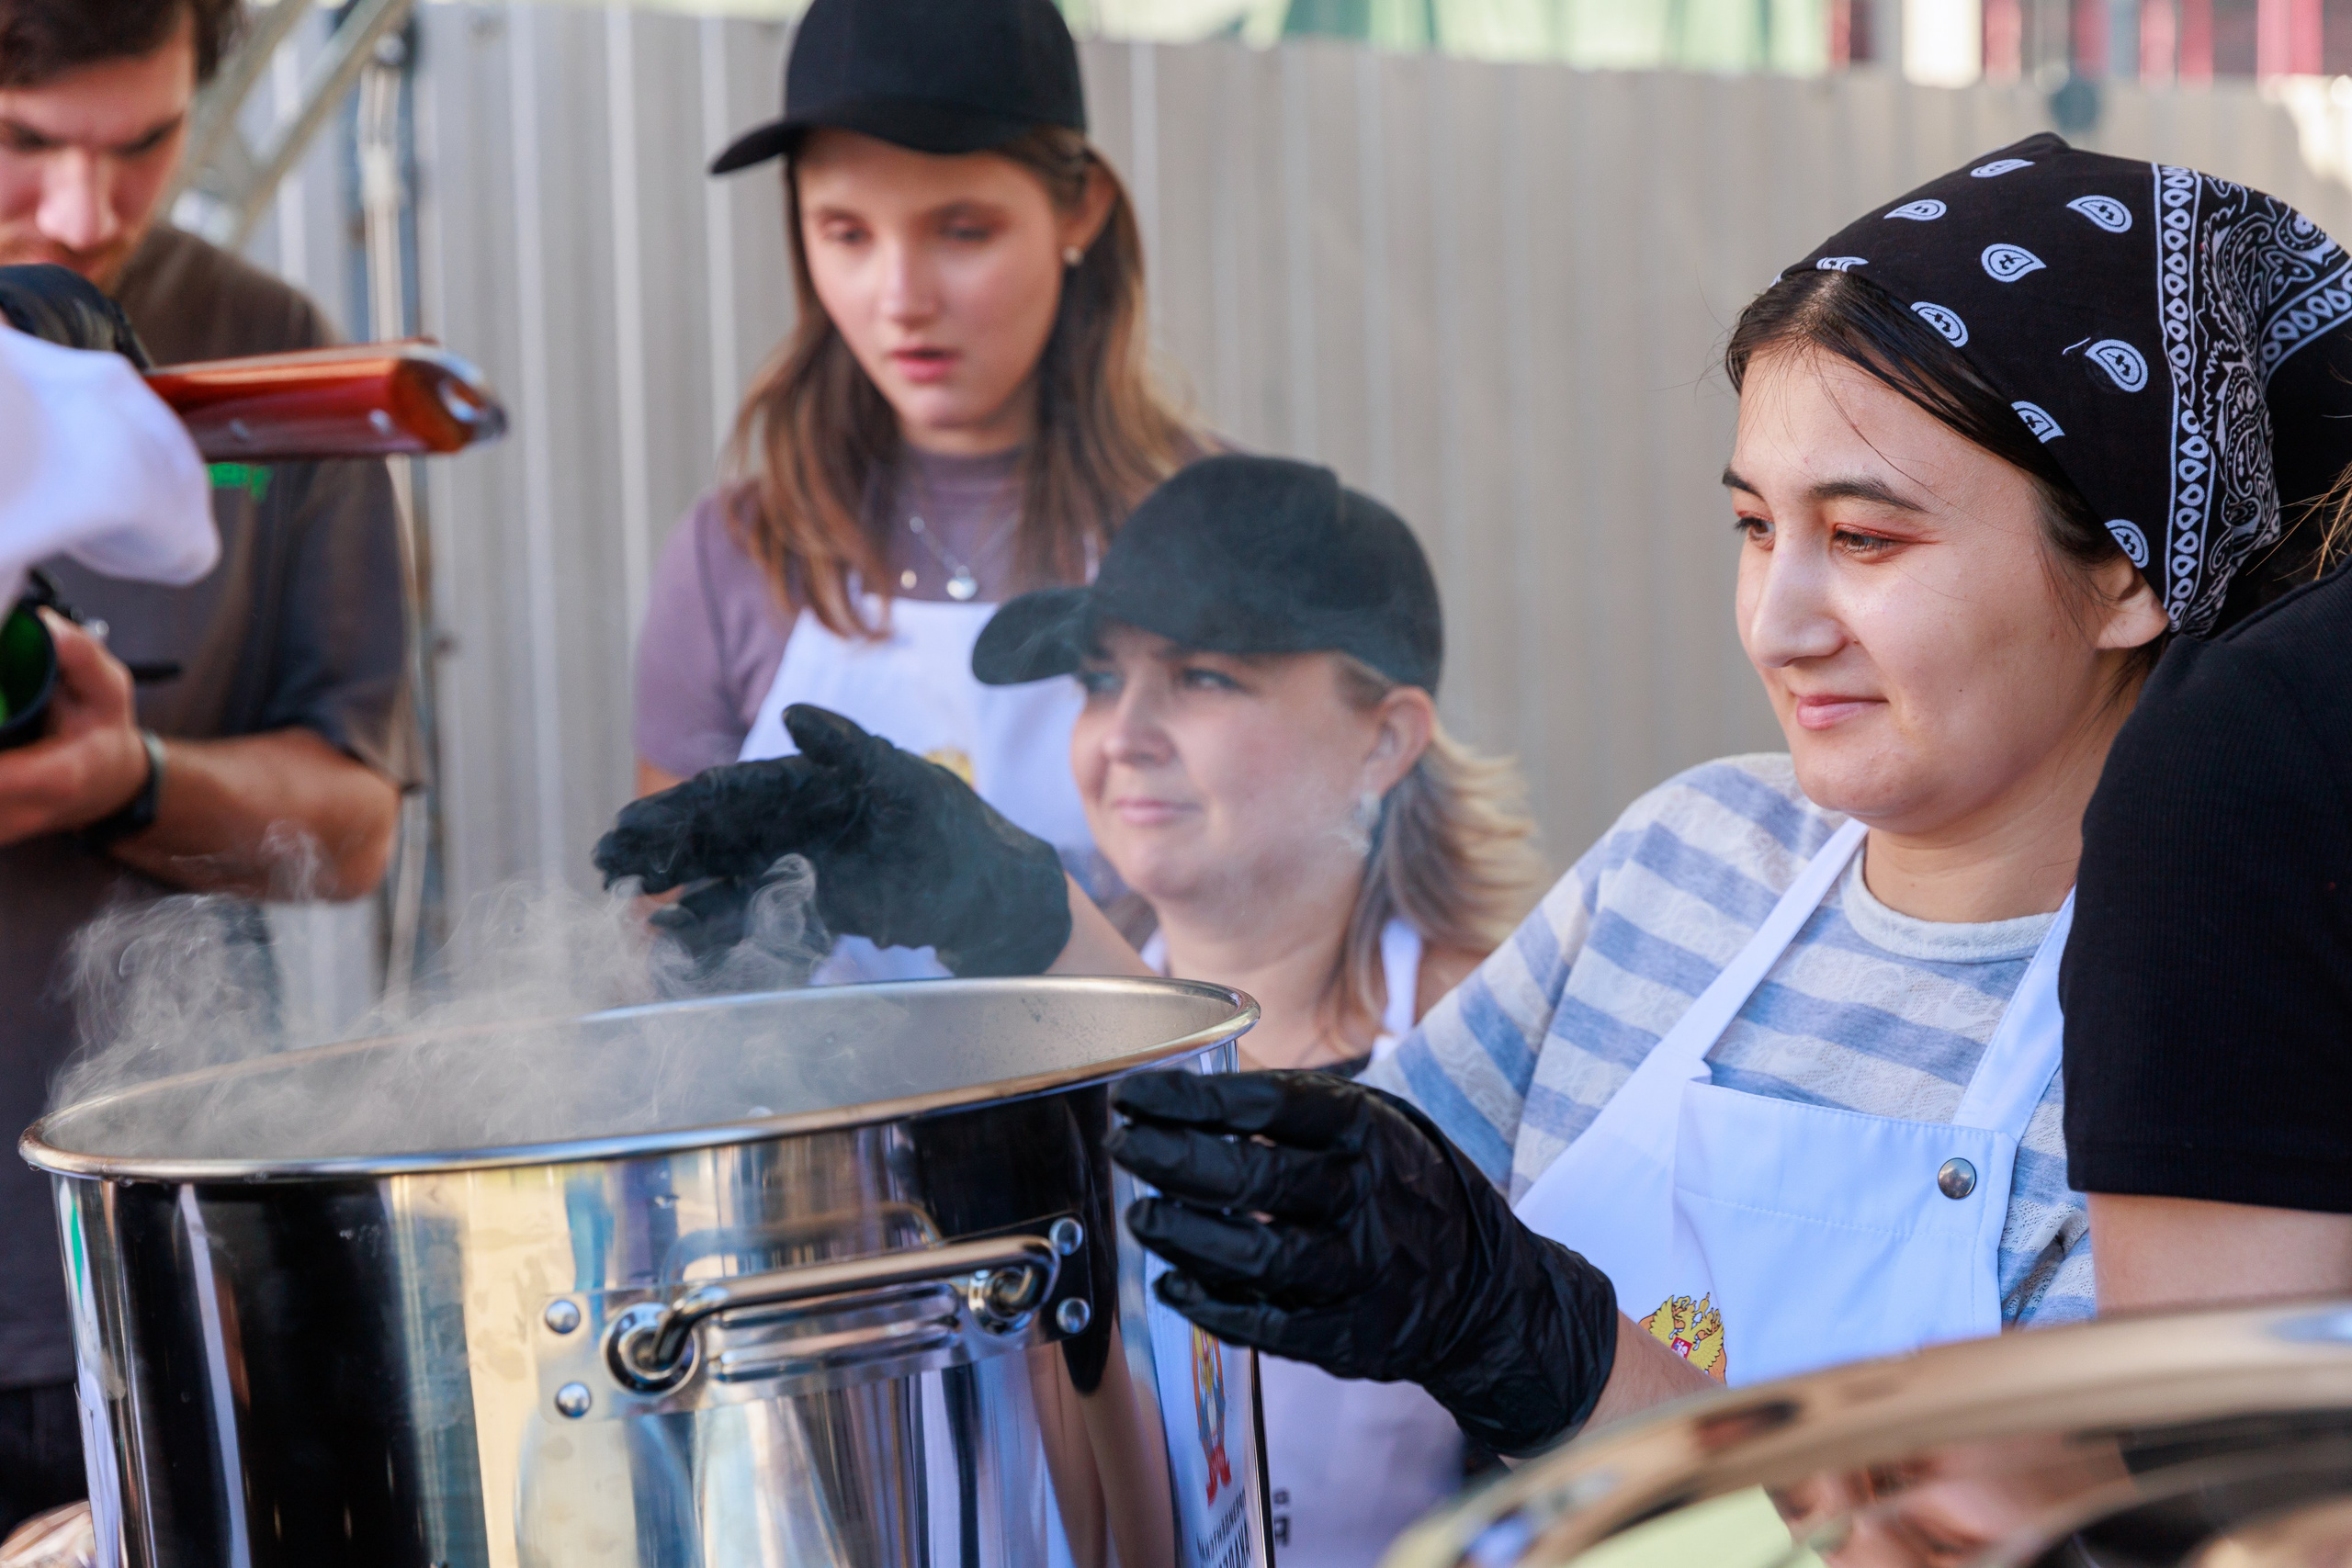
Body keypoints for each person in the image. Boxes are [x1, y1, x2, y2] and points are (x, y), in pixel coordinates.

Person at [598, 131, 2331, 1462]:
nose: (1778, 618)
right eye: (1754, 527)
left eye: (1866, 538)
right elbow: (1302, 1192)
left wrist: (1549, 1346)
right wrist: (1011, 911)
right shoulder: (1690, 855)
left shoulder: (2217, 1034)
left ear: (2127, 573)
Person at [969, 455, 1545, 1564]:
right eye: (1100, 679)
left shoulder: (1503, 1038)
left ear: (1385, 738)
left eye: (1202, 677)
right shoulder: (1027, 1058)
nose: (1123, 733)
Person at [0, 0, 414, 1532]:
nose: (82, 210)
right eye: (22, 140)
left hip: (172, 1254)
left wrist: (131, 780)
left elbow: (355, 827)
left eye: (144, 143)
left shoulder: (270, 355)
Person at [632, 0, 1194, 981]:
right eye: (846, 232)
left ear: (1080, 210)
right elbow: (666, 933)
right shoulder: (734, 551)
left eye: (963, 230)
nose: (900, 298)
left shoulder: (1204, 529)